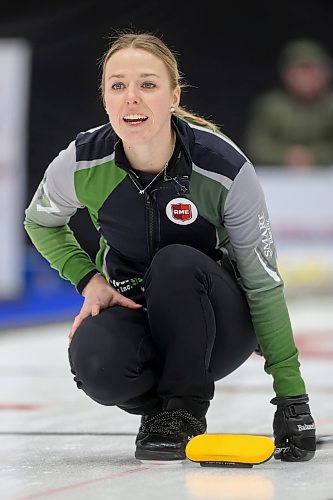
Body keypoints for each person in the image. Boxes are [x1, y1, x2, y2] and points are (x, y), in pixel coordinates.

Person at [24, 30, 316, 463]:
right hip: (140, 312)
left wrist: (292, 399)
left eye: (148, 84)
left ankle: (184, 409)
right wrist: (89, 279)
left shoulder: (223, 168)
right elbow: (39, 221)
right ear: (104, 98)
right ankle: (162, 411)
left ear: (174, 97)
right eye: (118, 85)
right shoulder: (81, 160)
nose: (132, 98)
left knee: (175, 262)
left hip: (222, 326)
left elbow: (264, 282)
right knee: (94, 359)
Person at [244, 38, 333, 168]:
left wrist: (313, 156)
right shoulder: (270, 105)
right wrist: (286, 156)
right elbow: (256, 146)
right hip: (279, 179)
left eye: (311, 71)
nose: (306, 78)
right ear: (287, 75)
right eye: (299, 71)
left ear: (325, 74)